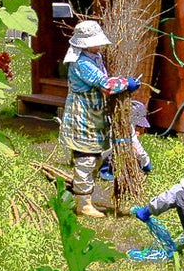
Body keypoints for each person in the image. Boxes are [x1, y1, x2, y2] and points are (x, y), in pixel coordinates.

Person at [58, 19, 139, 218]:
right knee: (86, 158)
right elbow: (105, 84)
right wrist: (125, 83)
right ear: (84, 44)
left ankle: (86, 199)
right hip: (82, 116)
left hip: (94, 114)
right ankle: (83, 205)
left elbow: (103, 85)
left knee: (95, 158)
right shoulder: (81, 63)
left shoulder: (95, 56)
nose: (100, 45)